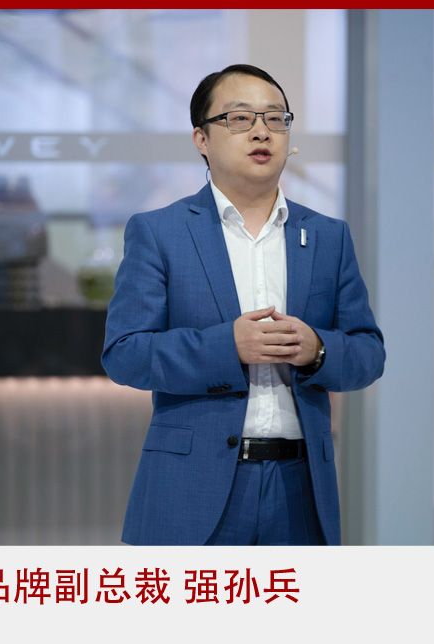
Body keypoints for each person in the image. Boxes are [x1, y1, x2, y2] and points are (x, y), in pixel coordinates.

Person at [102, 64, 385, 545]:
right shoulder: (160, 232)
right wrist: (227, 347)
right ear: (202, 139)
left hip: (300, 491)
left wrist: (317, 350)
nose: (261, 131)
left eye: (275, 119)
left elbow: (368, 353)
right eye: (239, 118)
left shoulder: (327, 237)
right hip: (192, 489)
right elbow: (124, 353)